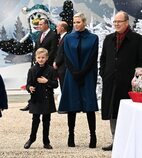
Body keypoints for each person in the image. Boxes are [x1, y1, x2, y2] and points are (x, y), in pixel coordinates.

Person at [99, 11, 142, 151]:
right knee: (113, 111)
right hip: (111, 81)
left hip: (128, 83)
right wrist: (104, 74)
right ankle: (115, 140)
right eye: (115, 22)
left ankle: (129, 142)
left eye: (119, 22)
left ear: (127, 22)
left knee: (127, 112)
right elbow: (103, 59)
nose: (116, 24)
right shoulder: (109, 39)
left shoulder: (137, 39)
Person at [58, 12, 99, 148]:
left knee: (89, 106)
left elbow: (93, 57)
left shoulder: (93, 38)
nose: (75, 24)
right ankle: (71, 135)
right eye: (74, 22)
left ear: (84, 22)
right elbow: (66, 56)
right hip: (72, 75)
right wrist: (74, 72)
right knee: (71, 105)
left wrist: (83, 72)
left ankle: (93, 136)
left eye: (78, 22)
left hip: (87, 75)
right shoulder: (68, 38)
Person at [20, 18, 58, 111]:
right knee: (34, 83)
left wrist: (47, 63)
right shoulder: (40, 34)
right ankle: (32, 103)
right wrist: (34, 59)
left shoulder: (53, 35)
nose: (39, 26)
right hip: (37, 64)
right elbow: (36, 48)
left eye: (41, 24)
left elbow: (53, 50)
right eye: (38, 24)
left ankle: (45, 106)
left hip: (46, 66)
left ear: (46, 24)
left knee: (45, 86)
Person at [24, 48, 58, 149]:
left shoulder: (51, 70)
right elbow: (28, 84)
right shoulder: (32, 70)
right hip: (36, 98)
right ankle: (32, 138)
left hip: (47, 98)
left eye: (43, 57)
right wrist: (29, 88)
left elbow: (56, 84)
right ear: (36, 58)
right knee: (35, 120)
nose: (41, 59)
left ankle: (46, 141)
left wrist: (46, 82)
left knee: (46, 121)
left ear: (47, 58)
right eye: (39, 57)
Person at [53, 21, 68, 90]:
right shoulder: (61, 38)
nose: (56, 28)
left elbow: (63, 52)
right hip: (61, 68)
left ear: (62, 28)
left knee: (65, 88)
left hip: (64, 67)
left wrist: (56, 62)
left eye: (57, 26)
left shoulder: (66, 38)